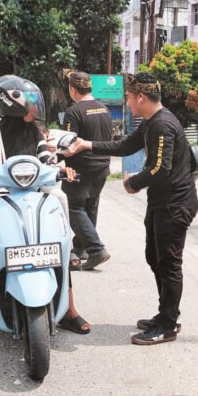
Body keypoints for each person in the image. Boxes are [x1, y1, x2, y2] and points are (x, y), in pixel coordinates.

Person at [0, 75, 90, 347]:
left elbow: (46, 159)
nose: (35, 109)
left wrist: (59, 167)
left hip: (32, 193)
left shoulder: (34, 132)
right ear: (12, 106)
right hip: (0, 193)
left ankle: (69, 307)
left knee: (59, 198)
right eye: (30, 104)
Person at [68, 72, 198, 345]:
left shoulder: (163, 124)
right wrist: (86, 144)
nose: (126, 102)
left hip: (176, 205)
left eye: (128, 97)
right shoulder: (150, 122)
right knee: (155, 257)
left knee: (169, 264)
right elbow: (125, 145)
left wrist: (134, 183)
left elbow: (159, 168)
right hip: (162, 203)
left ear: (140, 97)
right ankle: (166, 314)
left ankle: (168, 324)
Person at [62, 70, 112, 271]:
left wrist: (58, 158)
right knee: (90, 207)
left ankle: (96, 249)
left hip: (80, 168)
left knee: (73, 208)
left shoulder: (73, 112)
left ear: (73, 89)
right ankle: (81, 248)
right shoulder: (104, 109)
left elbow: (68, 143)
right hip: (101, 167)